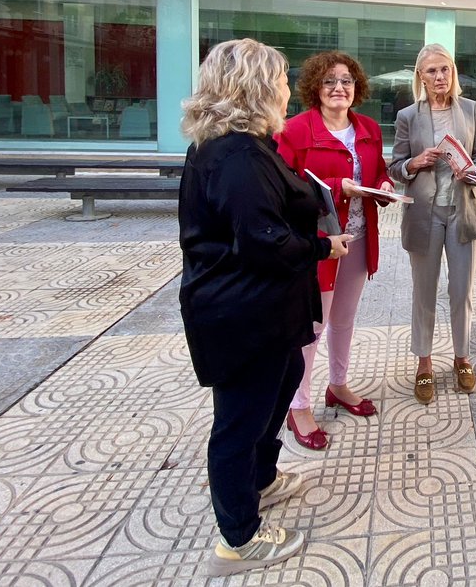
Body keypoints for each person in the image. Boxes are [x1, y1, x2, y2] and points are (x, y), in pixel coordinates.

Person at [178, 39, 353, 575]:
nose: (285, 89)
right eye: (279, 80)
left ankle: (262, 476)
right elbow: (264, 242)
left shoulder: (245, 145)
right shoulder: (236, 156)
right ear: (255, 87)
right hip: (240, 314)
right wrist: (325, 246)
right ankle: (239, 538)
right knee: (237, 421)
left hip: (259, 310)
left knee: (286, 376)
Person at [276, 51, 394, 450]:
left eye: (346, 80)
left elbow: (376, 172)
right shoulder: (293, 131)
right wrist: (334, 183)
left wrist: (385, 187)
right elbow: (283, 190)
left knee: (344, 320)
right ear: (315, 88)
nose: (339, 88)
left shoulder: (369, 129)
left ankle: (338, 386)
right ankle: (299, 405)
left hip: (358, 239)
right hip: (321, 245)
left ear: (356, 87)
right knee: (312, 327)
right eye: (329, 81)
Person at [390, 43, 476, 403]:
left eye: (445, 69)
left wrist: (473, 169)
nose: (440, 77)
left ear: (453, 73)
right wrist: (414, 163)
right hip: (424, 214)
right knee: (425, 292)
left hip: (461, 210)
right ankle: (424, 362)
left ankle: (462, 357)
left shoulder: (470, 109)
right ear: (421, 76)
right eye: (432, 71)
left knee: (461, 290)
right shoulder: (407, 116)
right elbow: (395, 167)